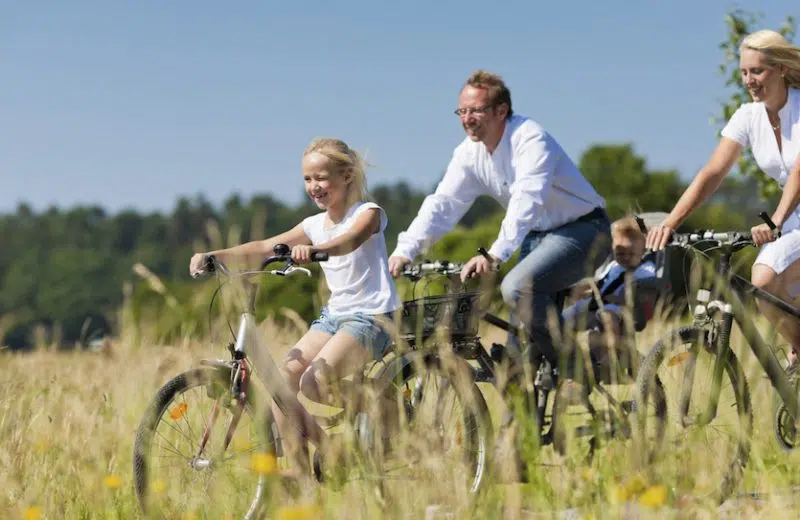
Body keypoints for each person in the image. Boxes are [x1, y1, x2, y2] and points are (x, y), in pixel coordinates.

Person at [189, 137, 401, 473]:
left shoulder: (369, 213)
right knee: (281, 382)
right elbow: (264, 245)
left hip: (373, 317)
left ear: (346, 175)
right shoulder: (313, 225)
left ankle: (383, 405)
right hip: (334, 317)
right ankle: (306, 467)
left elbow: (350, 241)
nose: (314, 187)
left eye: (321, 178)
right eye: (307, 179)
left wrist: (319, 250)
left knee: (314, 384)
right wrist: (213, 256)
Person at [388, 70, 611, 365]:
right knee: (517, 361)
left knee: (516, 287)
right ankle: (533, 389)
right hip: (539, 237)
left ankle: (574, 371)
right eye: (462, 111)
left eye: (476, 110)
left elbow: (526, 199)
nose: (467, 118)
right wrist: (406, 249)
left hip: (584, 230)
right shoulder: (468, 154)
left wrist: (494, 254)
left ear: (501, 111)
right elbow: (443, 204)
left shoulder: (530, 139)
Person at [646, 30, 800, 368]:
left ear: (782, 69)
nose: (749, 80)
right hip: (794, 218)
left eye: (757, 71)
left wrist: (775, 221)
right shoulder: (748, 116)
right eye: (744, 72)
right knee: (765, 288)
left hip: (789, 215)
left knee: (763, 279)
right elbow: (713, 172)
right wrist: (672, 220)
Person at [562, 216, 657, 376]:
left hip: (622, 305)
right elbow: (600, 284)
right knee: (564, 317)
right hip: (598, 302)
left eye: (631, 254)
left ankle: (610, 355)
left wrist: (622, 296)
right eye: (620, 253)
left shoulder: (645, 269)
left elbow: (647, 288)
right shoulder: (614, 266)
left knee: (607, 315)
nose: (625, 258)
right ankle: (566, 353)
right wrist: (582, 289)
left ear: (643, 249)